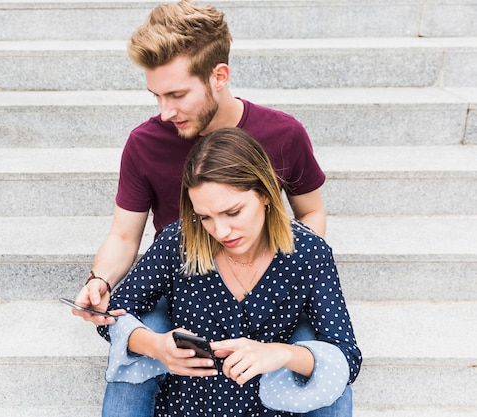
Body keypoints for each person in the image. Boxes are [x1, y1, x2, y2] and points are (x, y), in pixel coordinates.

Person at [71, 1, 353, 415]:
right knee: (134, 364)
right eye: (156, 95)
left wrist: (285, 275)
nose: (165, 111)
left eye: (177, 94)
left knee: (327, 371)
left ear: (219, 76)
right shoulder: (145, 144)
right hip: (178, 281)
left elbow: (310, 214)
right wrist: (101, 280)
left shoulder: (283, 133)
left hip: (274, 279)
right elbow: (123, 235)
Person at [97, 127, 362, 416]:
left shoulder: (309, 253)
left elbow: (346, 356)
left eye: (233, 212)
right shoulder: (179, 242)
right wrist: (156, 345)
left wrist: (282, 353)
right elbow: (113, 314)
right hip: (186, 407)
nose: (221, 231)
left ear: (265, 194)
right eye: (205, 217)